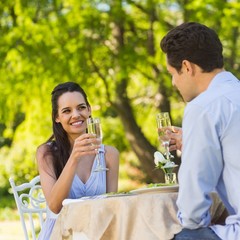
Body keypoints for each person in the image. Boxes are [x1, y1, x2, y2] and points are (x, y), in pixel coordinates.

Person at [160, 22, 240, 240]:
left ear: (187, 67)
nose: (174, 82)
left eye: (172, 73)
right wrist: (192, 143)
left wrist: (192, 226)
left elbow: (193, 205)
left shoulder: (203, 106)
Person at [36, 82, 119, 239]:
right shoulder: (46, 153)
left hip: (97, 233)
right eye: (67, 111)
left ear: (89, 110)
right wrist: (74, 157)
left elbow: (112, 206)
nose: (76, 115)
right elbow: (54, 207)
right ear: (57, 117)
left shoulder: (110, 154)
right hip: (60, 234)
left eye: (81, 107)